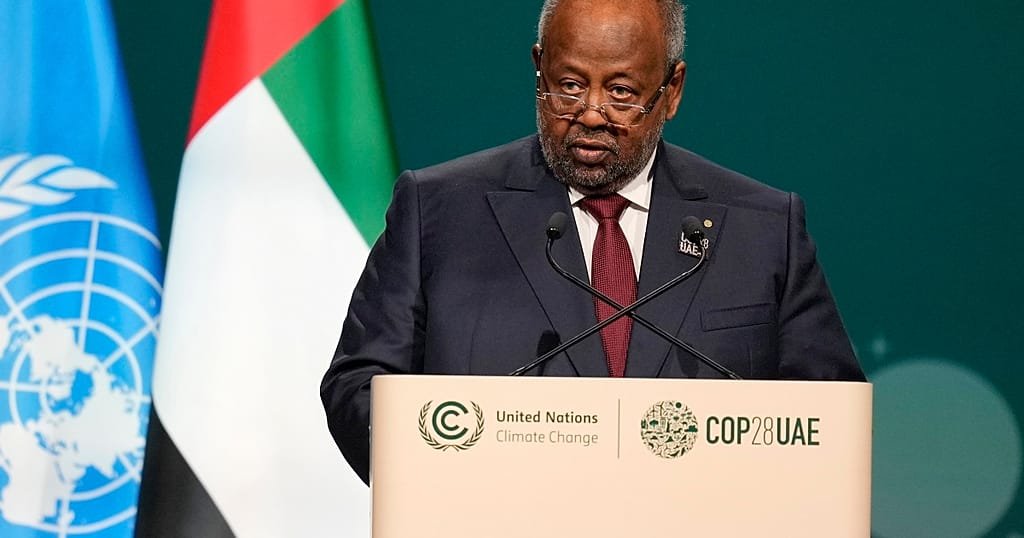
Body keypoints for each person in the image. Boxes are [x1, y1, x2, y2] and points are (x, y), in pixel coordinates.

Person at [321, 0, 865, 484]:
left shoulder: (762, 228)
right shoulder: (438, 211)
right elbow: (358, 385)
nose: (590, 114)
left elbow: (831, 416)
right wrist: (447, 479)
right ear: (539, 68)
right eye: (569, 86)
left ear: (672, 90)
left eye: (621, 92)